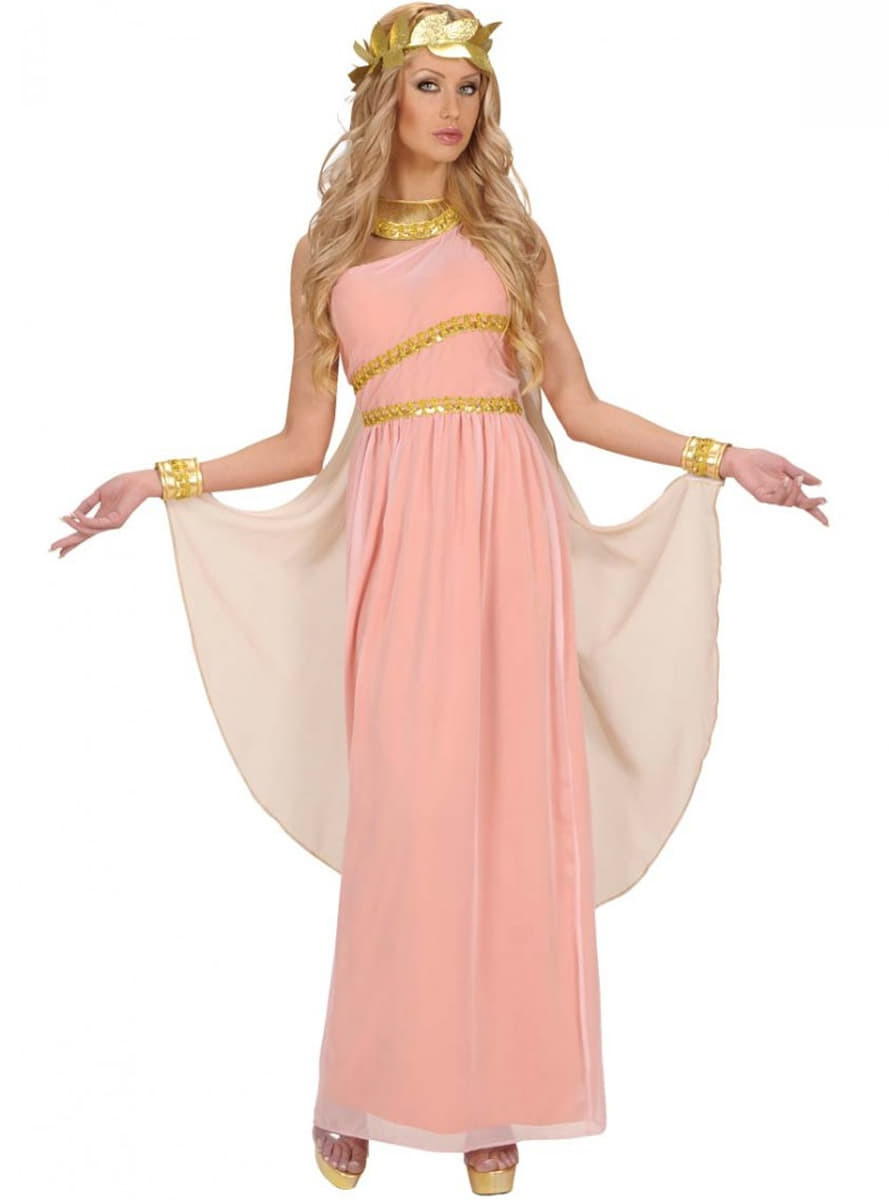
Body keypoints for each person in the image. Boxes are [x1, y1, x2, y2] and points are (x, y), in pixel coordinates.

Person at [49, 5, 828, 1194]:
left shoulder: (512, 241)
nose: (452, 110)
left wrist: (720, 457)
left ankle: (491, 1099)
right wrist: (160, 481)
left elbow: (578, 408)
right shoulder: (326, 256)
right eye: (428, 86)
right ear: (384, 98)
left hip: (510, 539)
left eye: (468, 90)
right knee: (405, 817)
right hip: (398, 550)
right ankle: (360, 1083)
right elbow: (303, 441)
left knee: (508, 814)